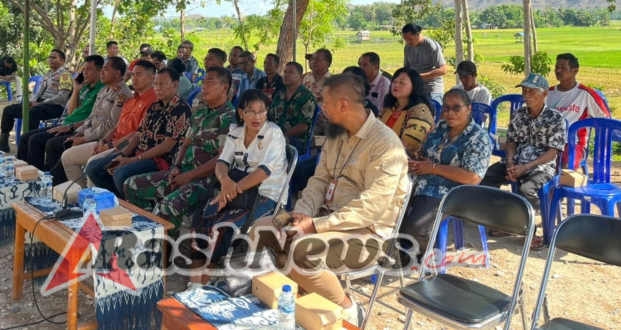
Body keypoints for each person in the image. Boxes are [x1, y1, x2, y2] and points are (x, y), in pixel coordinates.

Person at [249, 74, 408, 326]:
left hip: (369, 233)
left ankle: (347, 308)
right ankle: (297, 293)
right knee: (262, 227)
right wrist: (299, 216)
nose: (321, 109)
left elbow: (371, 209)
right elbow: (319, 182)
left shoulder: (386, 144)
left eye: (324, 102)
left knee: (302, 249)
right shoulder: (336, 134)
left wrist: (313, 225)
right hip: (322, 217)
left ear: (343, 105)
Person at [123, 67, 236, 233]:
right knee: (131, 185)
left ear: (224, 87)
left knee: (166, 208)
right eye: (203, 82)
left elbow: (222, 158)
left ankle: (168, 253)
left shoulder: (229, 117)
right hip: (183, 172)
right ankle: (147, 234)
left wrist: (188, 176)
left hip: (206, 181)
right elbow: (185, 143)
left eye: (209, 83)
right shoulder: (200, 111)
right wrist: (176, 167)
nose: (203, 87)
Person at [190, 89, 287, 278]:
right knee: (201, 216)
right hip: (237, 192)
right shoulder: (235, 132)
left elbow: (263, 172)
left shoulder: (274, 133)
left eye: (261, 111)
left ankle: (210, 274)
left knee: (224, 226)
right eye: (250, 111)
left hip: (266, 195)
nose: (257, 116)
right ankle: (195, 274)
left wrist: (230, 191)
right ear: (241, 113)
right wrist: (225, 181)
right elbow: (222, 163)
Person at [401, 88, 492, 255]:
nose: (450, 112)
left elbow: (472, 177)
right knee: (392, 213)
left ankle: (424, 258)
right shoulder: (440, 127)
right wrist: (418, 158)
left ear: (469, 109)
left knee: (417, 230)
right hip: (422, 180)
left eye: (456, 107)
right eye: (446, 108)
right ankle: (399, 251)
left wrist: (433, 168)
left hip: (452, 191)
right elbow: (427, 152)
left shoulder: (478, 138)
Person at [480, 73, 566, 249]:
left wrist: (526, 167)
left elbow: (553, 152)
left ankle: (529, 229)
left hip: (541, 165)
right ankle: (505, 222)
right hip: (517, 161)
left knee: (526, 189)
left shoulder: (555, 118)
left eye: (532, 92)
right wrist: (510, 163)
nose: (527, 95)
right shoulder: (518, 114)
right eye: (525, 91)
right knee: (486, 178)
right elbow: (511, 142)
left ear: (544, 94)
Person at [87, 67, 192, 196]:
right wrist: (123, 155)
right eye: (156, 84)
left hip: (159, 160)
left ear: (175, 85)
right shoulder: (155, 105)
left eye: (162, 84)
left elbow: (167, 146)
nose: (157, 88)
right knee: (94, 168)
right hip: (138, 152)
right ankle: (116, 201)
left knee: (121, 174)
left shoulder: (180, 109)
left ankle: (127, 206)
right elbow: (138, 134)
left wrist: (132, 160)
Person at [45, 57, 134, 183]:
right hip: (92, 134)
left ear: (117, 72)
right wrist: (79, 132)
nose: (101, 73)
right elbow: (91, 117)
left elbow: (110, 125)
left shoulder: (123, 94)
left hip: (104, 138)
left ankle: (71, 190)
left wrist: (83, 138)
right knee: (59, 144)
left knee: (61, 149)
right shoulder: (104, 90)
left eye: (105, 70)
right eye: (102, 70)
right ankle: (63, 187)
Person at [17, 55, 104, 167]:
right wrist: (76, 90)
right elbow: (71, 111)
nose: (85, 73)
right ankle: (22, 172)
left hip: (79, 128)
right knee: (25, 137)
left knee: (35, 140)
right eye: (83, 69)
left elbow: (94, 120)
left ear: (99, 71)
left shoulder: (102, 89)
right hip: (67, 123)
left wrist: (72, 126)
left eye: (89, 69)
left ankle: (37, 177)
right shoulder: (84, 87)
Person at [0, 49, 73, 152]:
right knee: (9, 110)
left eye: (54, 57)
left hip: (55, 106)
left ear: (62, 61)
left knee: (32, 113)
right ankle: (3, 142)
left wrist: (40, 103)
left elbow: (62, 97)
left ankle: (29, 146)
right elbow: (39, 92)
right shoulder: (48, 74)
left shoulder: (65, 75)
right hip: (40, 104)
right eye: (49, 57)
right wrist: (32, 101)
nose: (50, 59)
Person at [547, 53, 610, 168]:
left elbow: (606, 120)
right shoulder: (548, 93)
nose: (558, 71)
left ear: (575, 71)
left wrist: (602, 149)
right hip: (546, 141)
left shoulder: (586, 94)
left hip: (572, 143)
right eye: (557, 67)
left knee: (563, 168)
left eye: (563, 68)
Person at [379, 68, 435, 156]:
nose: (396, 85)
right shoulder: (389, 108)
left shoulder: (420, 111)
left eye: (402, 83)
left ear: (414, 86)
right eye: (394, 81)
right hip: (382, 152)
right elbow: (374, 131)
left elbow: (410, 146)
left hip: (404, 160)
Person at [268, 62, 317, 155]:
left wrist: (282, 136)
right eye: (285, 72)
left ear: (300, 76)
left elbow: (303, 126)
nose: (286, 75)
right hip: (275, 136)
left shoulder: (306, 97)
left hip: (297, 141)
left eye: (291, 72)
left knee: (282, 141)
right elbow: (270, 116)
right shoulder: (279, 94)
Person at [401, 23, 446, 103]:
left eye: (410, 39)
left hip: (432, 90)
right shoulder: (407, 48)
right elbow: (406, 69)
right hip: (415, 90)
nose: (408, 42)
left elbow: (442, 70)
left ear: (417, 34)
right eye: (405, 40)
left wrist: (419, 77)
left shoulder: (431, 46)